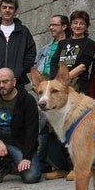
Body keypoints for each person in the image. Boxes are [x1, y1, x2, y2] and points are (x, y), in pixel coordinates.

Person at [34, 14, 72, 180]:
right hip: (45, 90)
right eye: (50, 25)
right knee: (45, 130)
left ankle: (72, 166)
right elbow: (38, 69)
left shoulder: (70, 45)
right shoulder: (45, 49)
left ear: (64, 27)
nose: (51, 28)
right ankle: (47, 163)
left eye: (54, 25)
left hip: (61, 90)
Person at [50, 10, 95, 95]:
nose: (78, 26)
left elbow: (83, 66)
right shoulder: (62, 43)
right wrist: (55, 80)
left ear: (86, 26)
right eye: (75, 23)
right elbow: (54, 62)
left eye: (82, 23)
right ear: (70, 25)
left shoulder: (89, 43)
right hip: (59, 85)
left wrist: (64, 79)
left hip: (77, 86)